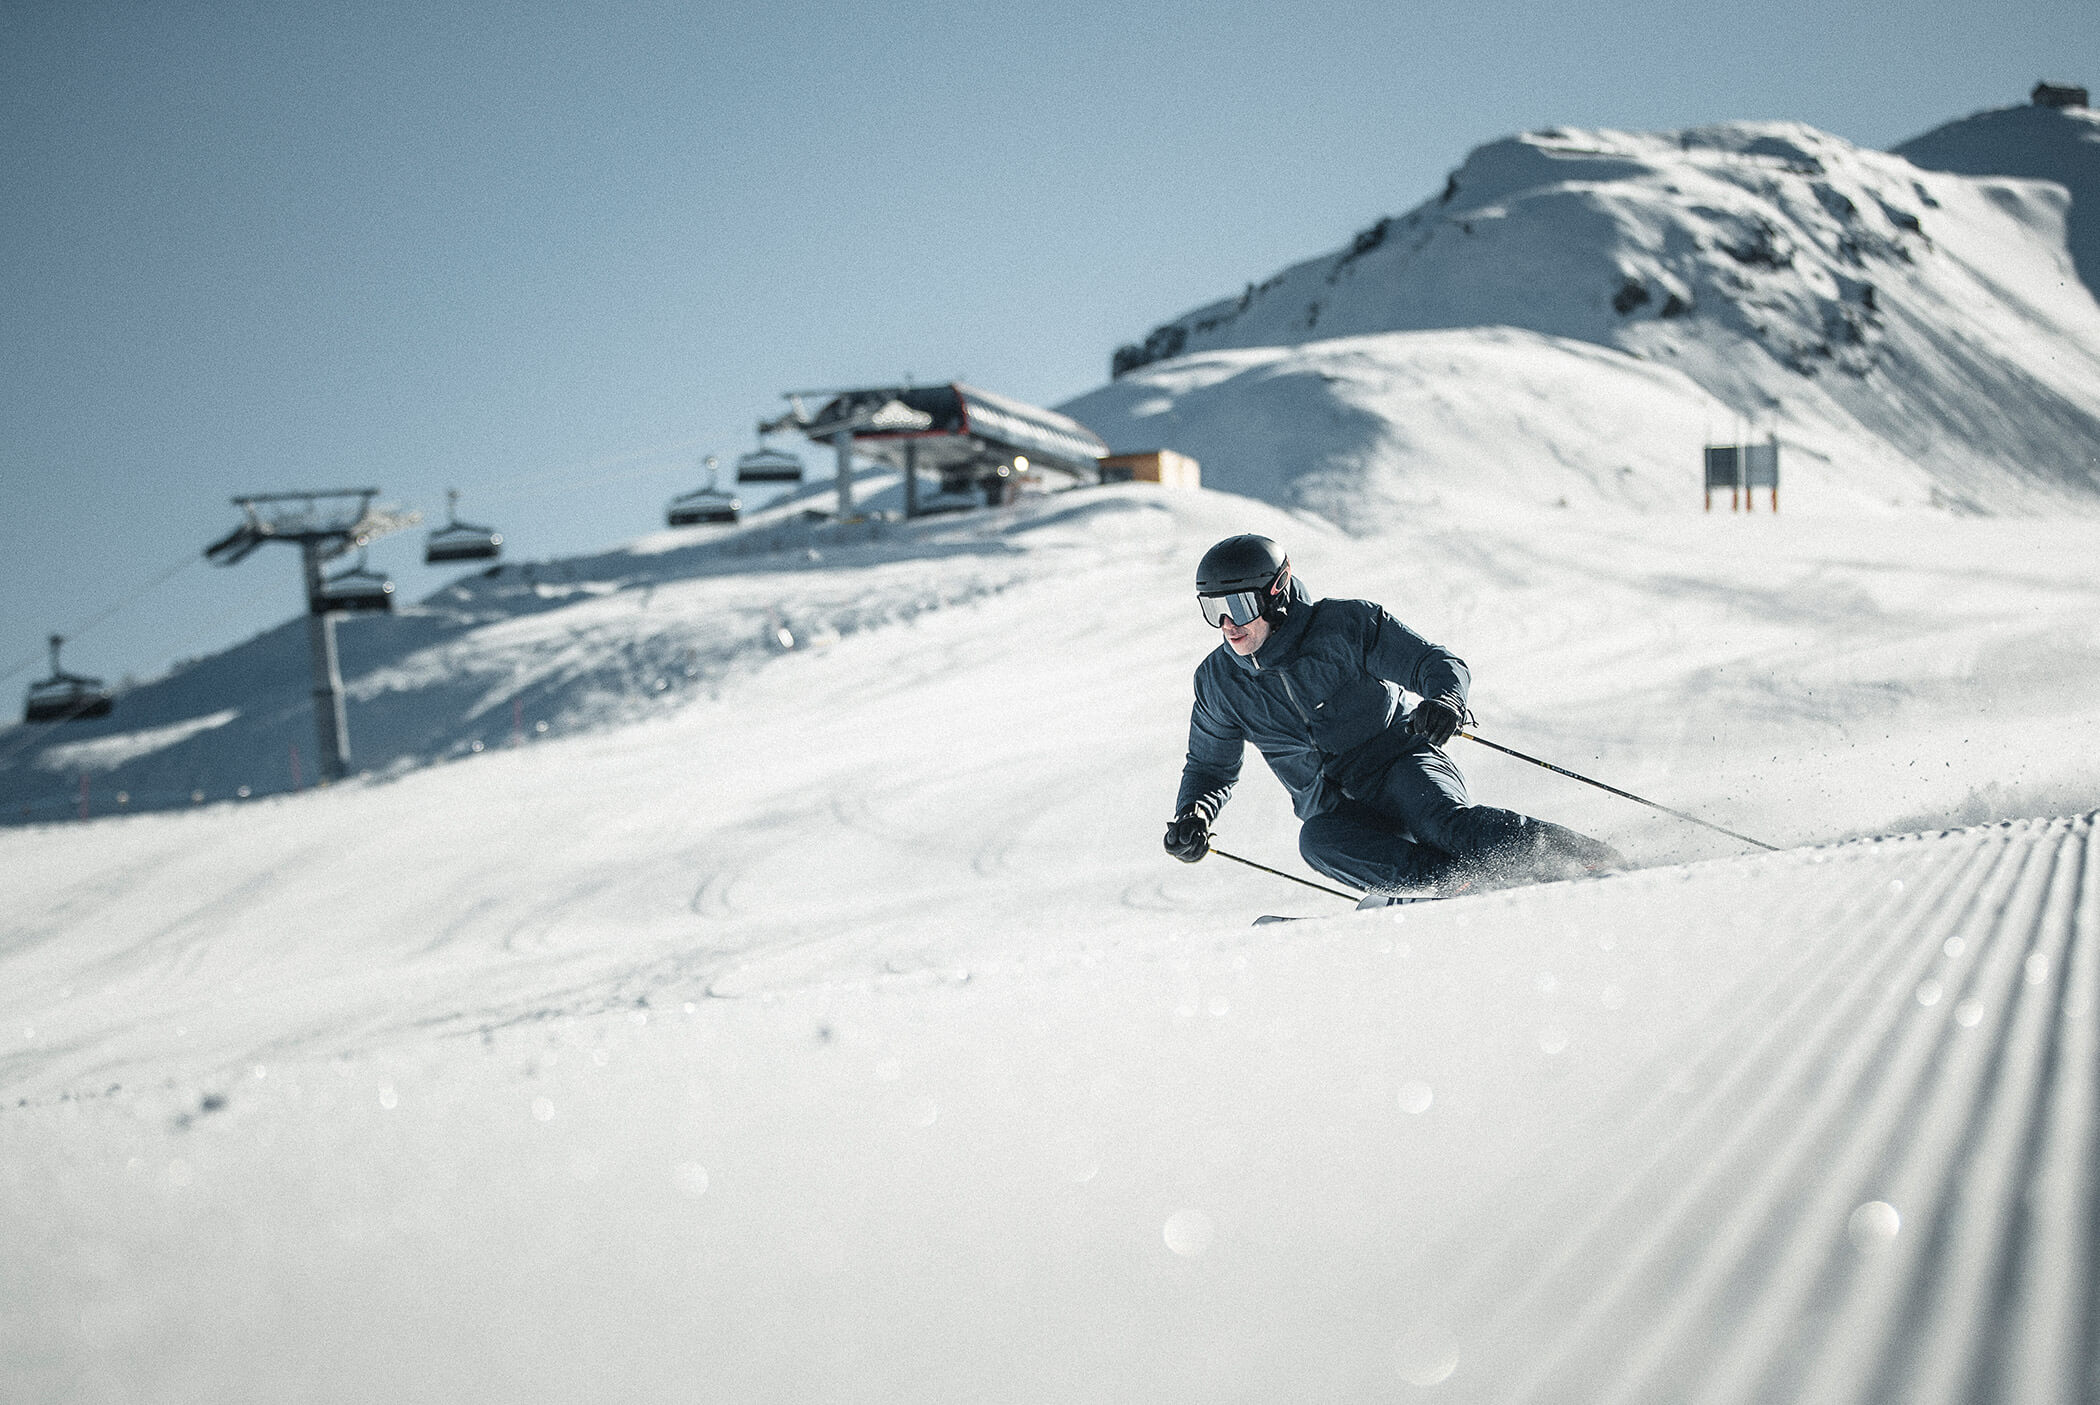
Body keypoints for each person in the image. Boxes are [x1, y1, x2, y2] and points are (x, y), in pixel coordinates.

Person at [1163, 534, 1622, 904]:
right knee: (1318, 842)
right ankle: (1451, 885)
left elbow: (1432, 664)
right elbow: (1210, 767)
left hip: (1400, 763)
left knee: (1443, 825)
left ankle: (1587, 859)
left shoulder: (1344, 626)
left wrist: (1445, 702)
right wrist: (1193, 814)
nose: (1227, 624)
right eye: (1212, 610)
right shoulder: (1220, 681)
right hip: (1335, 804)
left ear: (1276, 594)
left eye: (1238, 606)